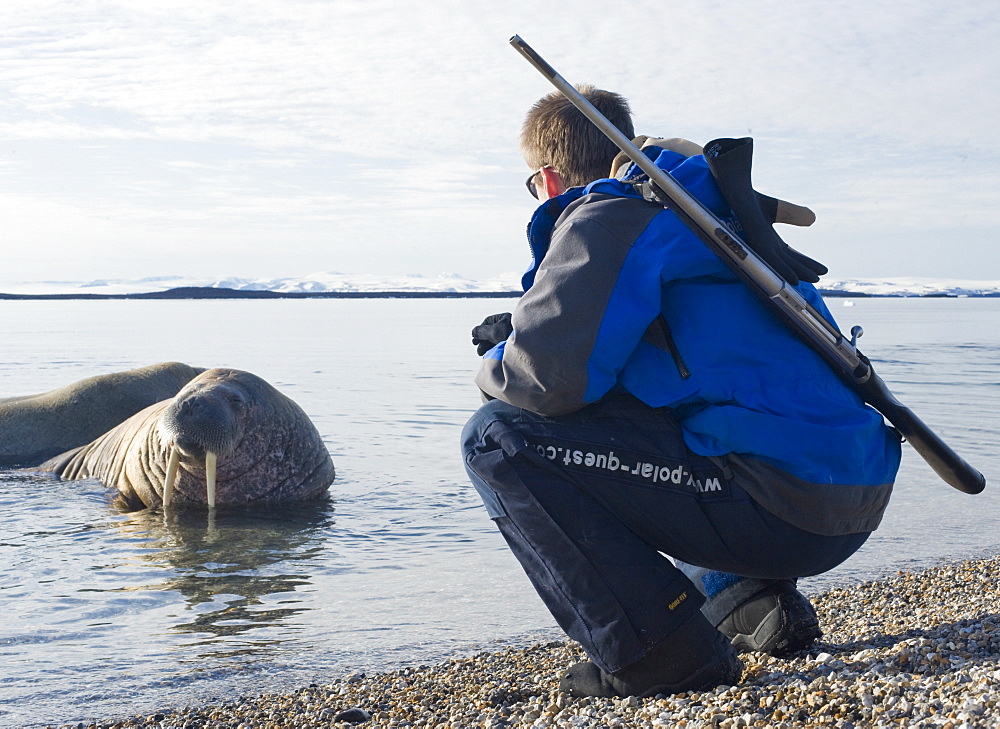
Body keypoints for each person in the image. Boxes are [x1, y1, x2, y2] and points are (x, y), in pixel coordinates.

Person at [460, 86, 902, 698]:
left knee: (498, 439)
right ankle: (748, 599)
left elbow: (542, 385)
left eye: (531, 186)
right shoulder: (704, 210)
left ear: (549, 177)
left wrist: (495, 356)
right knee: (652, 413)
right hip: (846, 495)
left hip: (785, 505)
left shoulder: (610, 217)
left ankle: (657, 655)